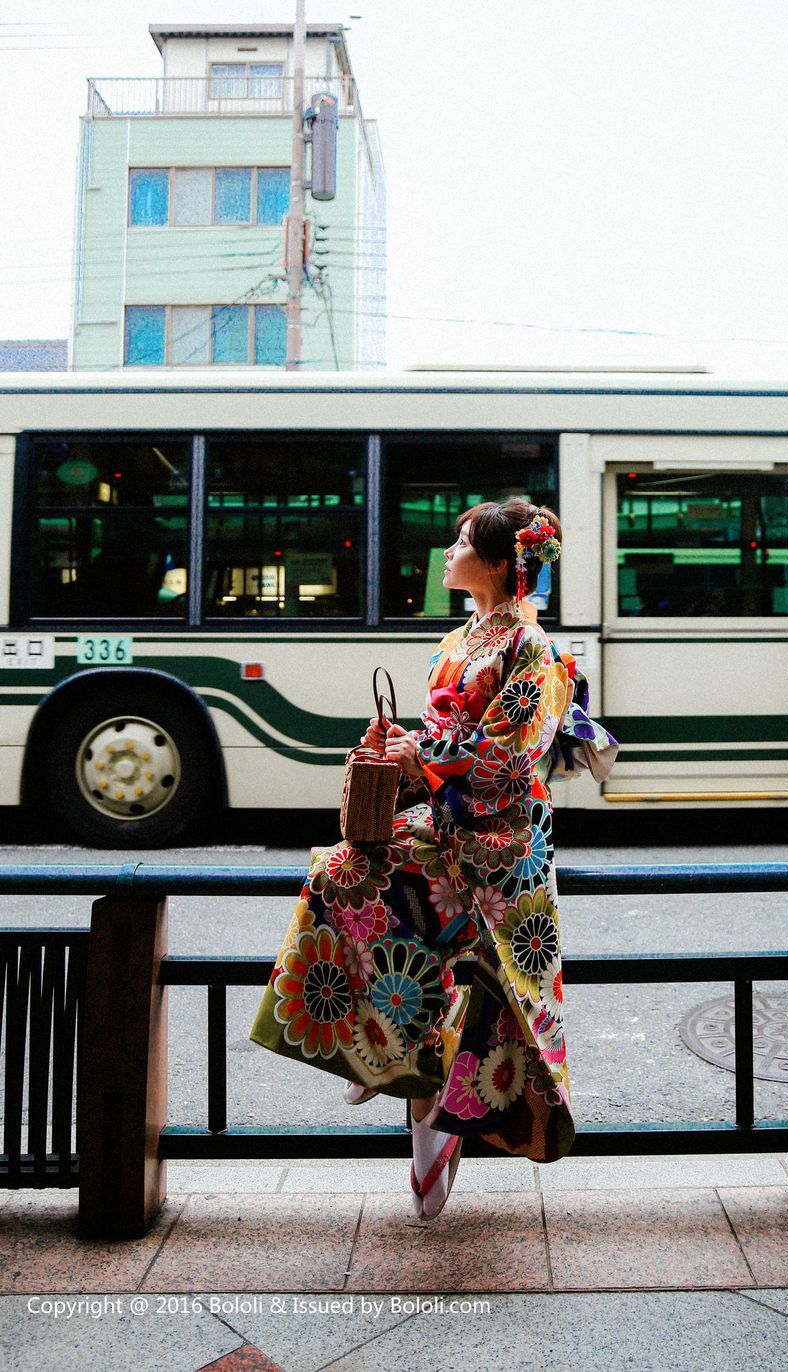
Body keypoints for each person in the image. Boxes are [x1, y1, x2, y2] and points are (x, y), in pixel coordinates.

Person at [250, 499, 618, 1221]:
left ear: (498, 563)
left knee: (361, 884)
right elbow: (439, 743)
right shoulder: (456, 640)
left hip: (500, 841)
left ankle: (391, 1059)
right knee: (338, 872)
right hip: (446, 822)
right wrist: (399, 747)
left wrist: (423, 753)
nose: (447, 550)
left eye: (461, 541)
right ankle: (388, 1051)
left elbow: (513, 759)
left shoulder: (534, 652)